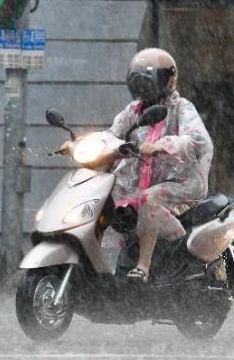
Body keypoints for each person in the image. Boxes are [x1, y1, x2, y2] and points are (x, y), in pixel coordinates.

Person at [89, 48, 213, 282]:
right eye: (138, 84)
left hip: (181, 182)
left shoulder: (182, 108)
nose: (142, 91)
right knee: (99, 197)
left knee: (150, 198)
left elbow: (199, 141)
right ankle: (91, 265)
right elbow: (113, 134)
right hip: (140, 180)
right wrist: (85, 145)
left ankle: (143, 267)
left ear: (168, 80)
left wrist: (162, 146)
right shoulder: (133, 111)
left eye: (147, 83)